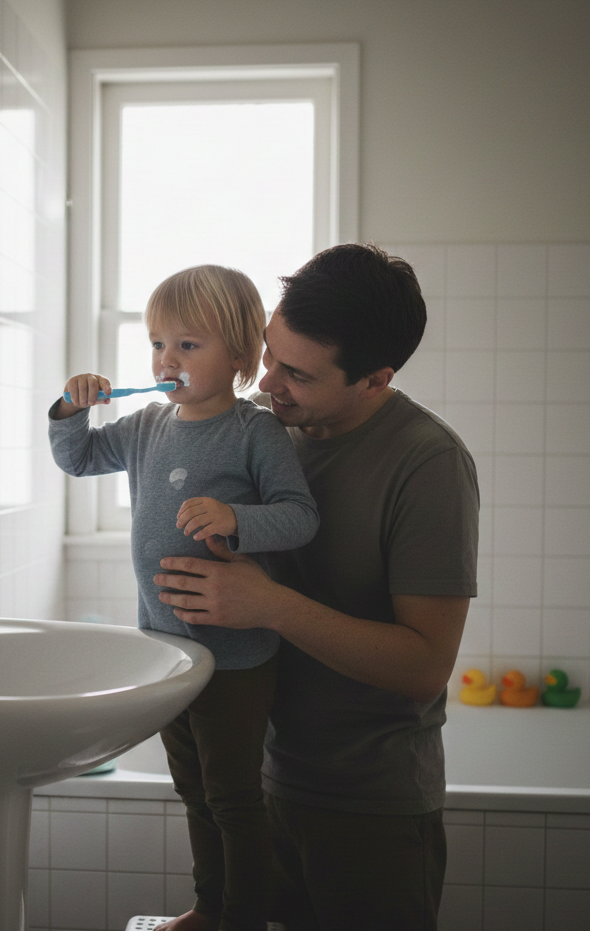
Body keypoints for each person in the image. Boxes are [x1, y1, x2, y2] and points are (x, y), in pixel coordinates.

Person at [154, 244, 480, 931]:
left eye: (296, 373)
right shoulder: (266, 435)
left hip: (368, 810)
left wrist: (268, 603)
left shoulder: (428, 463)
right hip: (261, 781)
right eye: (269, 352)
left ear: (373, 378)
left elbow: (424, 666)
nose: (267, 380)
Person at [49, 265, 319, 931]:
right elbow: (78, 458)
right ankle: (211, 905)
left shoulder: (254, 431)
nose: (166, 358)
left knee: (232, 796)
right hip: (167, 650)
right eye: (156, 342)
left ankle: (245, 917)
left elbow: (299, 516)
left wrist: (234, 518)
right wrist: (69, 408)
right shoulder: (145, 425)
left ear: (239, 354)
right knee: (194, 792)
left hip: (234, 656)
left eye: (188, 345)